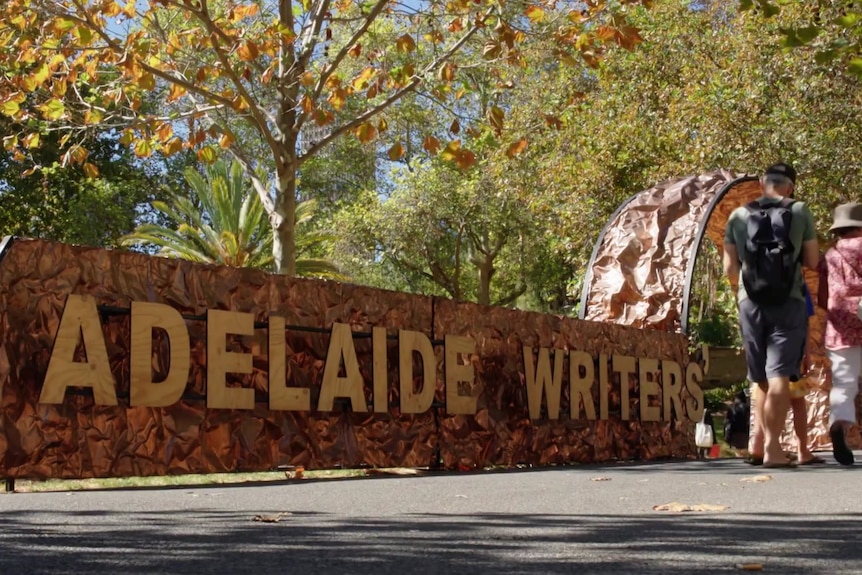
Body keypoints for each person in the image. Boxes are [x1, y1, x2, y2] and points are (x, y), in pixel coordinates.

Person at [723, 162, 820, 468]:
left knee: (760, 377)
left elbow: (729, 268)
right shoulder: (800, 210)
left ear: (763, 184)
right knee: (779, 374)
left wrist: (745, 291)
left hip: (749, 303)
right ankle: (773, 449)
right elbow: (813, 260)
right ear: (789, 187)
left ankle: (763, 445)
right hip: (788, 301)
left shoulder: (738, 215)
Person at [746, 282, 824, 466]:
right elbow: (804, 319)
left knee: (764, 389)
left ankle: (758, 444)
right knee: (797, 399)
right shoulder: (795, 283)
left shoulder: (755, 282)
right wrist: (806, 351)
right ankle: (802, 449)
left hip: (761, 336)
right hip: (788, 345)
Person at [817, 202, 862, 466]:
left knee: (844, 384)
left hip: (839, 326)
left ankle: (839, 424)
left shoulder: (830, 255)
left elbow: (823, 295)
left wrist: (838, 311)